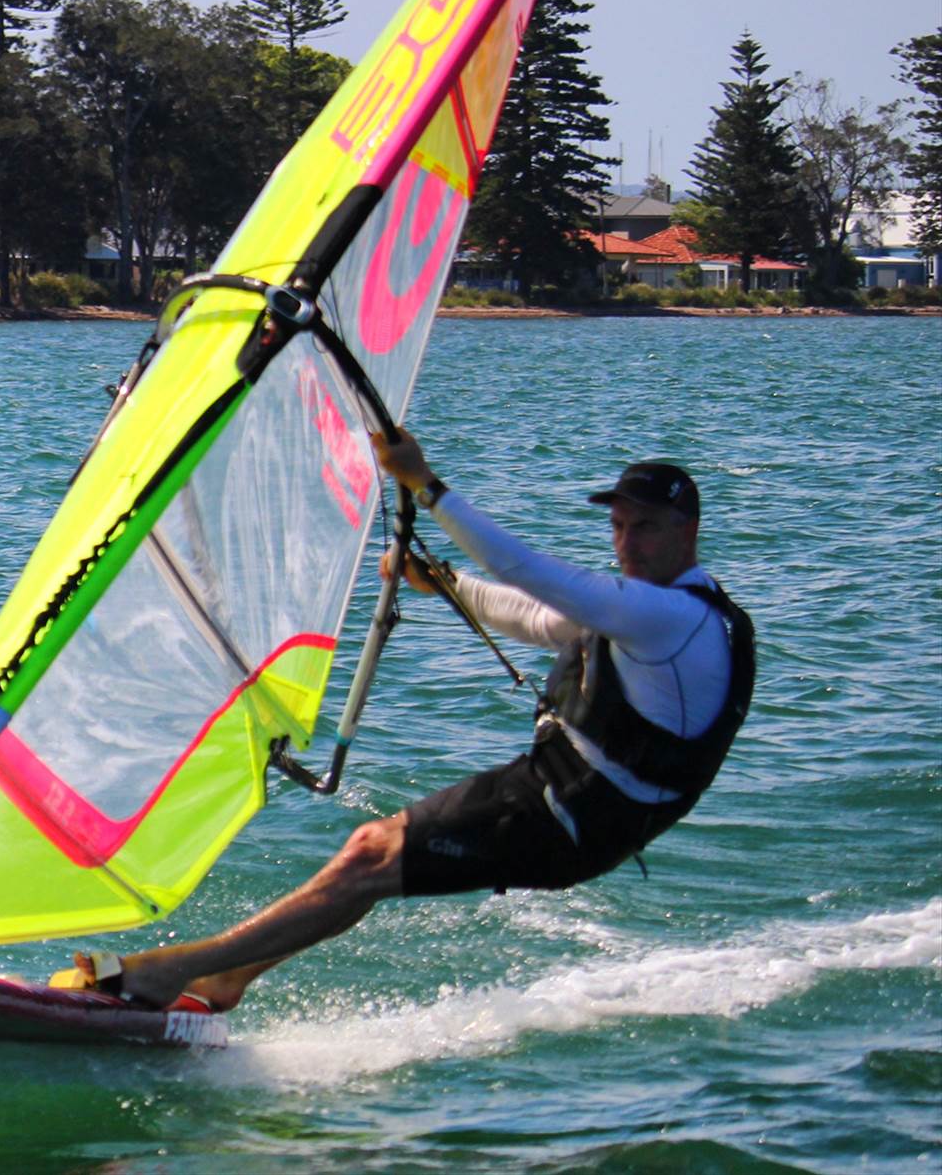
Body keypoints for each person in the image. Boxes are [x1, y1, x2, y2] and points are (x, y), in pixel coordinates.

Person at [52, 428, 755, 1012]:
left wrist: (427, 486)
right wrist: (443, 582)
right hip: (560, 797)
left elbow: (529, 571)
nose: (629, 543)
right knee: (375, 852)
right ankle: (227, 978)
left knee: (369, 857)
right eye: (620, 526)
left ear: (688, 531)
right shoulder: (649, 608)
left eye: (649, 529)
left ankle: (170, 973)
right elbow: (542, 619)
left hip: (574, 818)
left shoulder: (671, 617)